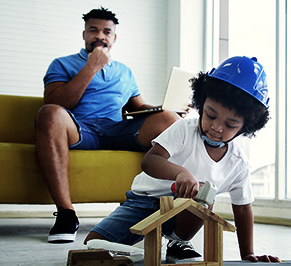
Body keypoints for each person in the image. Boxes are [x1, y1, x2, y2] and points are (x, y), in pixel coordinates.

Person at [84, 56, 281, 263]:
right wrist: (181, 173)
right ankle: (140, 248)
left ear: (245, 127)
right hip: (142, 203)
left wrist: (247, 254)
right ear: (201, 103)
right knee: (91, 247)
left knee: (204, 194)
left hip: (184, 215)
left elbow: (242, 208)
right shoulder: (183, 129)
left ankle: (178, 242)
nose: (217, 128)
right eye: (210, 115)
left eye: (230, 125)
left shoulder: (238, 162)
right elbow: (150, 161)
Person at [35, 7, 180, 243]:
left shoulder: (125, 71)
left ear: (114, 38)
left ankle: (168, 215)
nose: (100, 36)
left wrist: (167, 108)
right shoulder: (63, 64)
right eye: (93, 30)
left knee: (170, 119)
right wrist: (92, 66)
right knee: (49, 113)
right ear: (84, 34)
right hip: (80, 129)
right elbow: (57, 102)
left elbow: (138, 107)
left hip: (116, 130)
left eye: (106, 31)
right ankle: (66, 214)